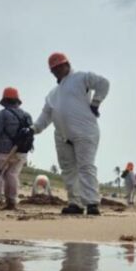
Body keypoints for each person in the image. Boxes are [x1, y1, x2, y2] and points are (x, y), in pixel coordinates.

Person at [33, 53, 110, 216]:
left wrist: (96, 103)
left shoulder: (81, 77)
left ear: (67, 64)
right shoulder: (52, 94)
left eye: (60, 66)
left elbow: (103, 83)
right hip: (62, 136)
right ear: (52, 72)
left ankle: (91, 203)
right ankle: (75, 203)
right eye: (54, 69)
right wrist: (33, 129)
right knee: (68, 170)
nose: (58, 70)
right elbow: (45, 116)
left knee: (86, 167)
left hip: (85, 131)